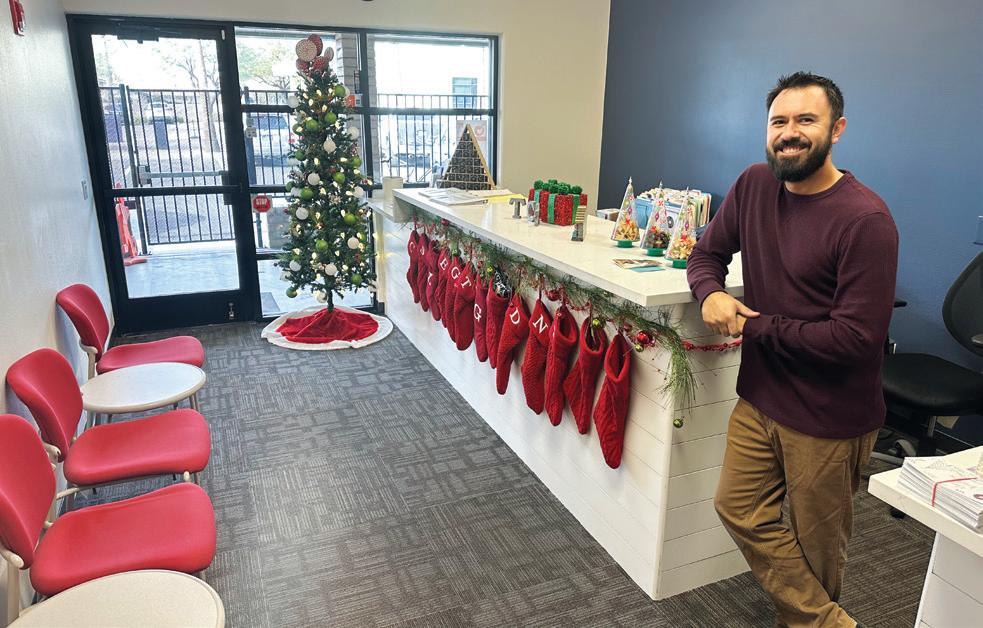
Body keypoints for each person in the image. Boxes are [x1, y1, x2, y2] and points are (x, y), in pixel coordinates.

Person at [686, 72, 899, 628]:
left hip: (829, 416)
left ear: (837, 129)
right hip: (761, 396)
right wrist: (710, 293)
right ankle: (829, 623)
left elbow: (855, 340)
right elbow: (705, 255)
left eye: (806, 120)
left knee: (816, 549)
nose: (789, 133)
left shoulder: (865, 220)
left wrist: (756, 328)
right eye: (778, 121)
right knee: (738, 507)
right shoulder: (754, 185)